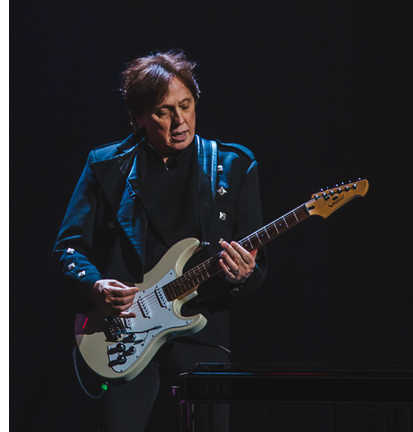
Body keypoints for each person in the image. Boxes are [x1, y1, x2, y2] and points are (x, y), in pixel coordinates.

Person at [53, 49, 267, 432]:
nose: (179, 120)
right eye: (163, 111)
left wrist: (243, 272)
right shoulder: (105, 166)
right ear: (138, 118)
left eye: (185, 105)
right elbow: (68, 248)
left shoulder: (234, 166)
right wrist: (95, 285)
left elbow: (256, 267)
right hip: (122, 331)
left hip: (202, 333)